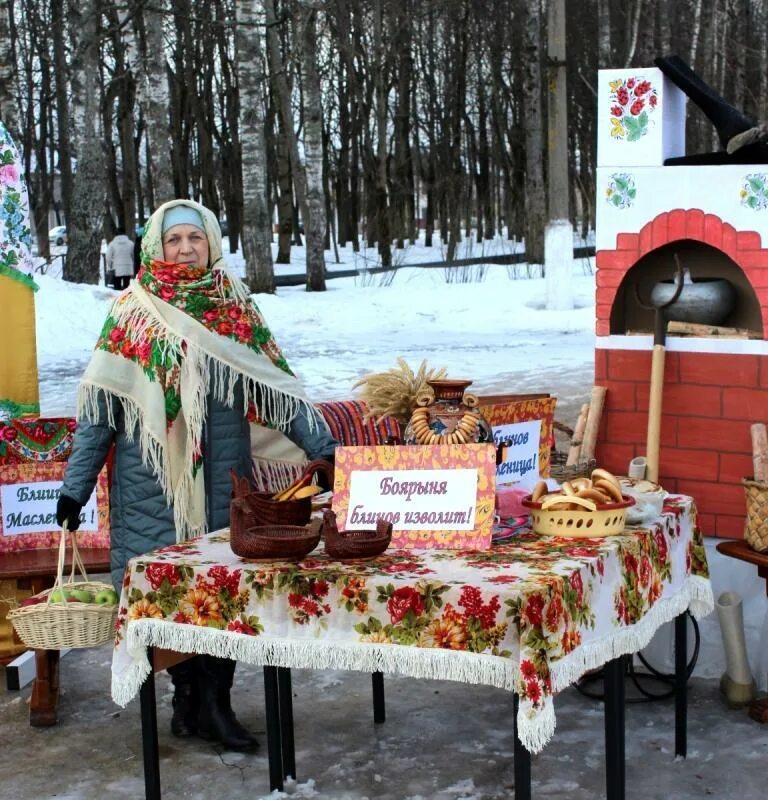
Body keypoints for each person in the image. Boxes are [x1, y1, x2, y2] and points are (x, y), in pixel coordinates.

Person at [56, 199, 337, 752]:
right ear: (155, 248)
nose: (185, 248)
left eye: (196, 238)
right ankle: (188, 699)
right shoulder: (132, 311)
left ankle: (216, 703)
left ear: (211, 242)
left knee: (225, 594)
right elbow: (101, 412)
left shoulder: (235, 310)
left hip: (223, 487)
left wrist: (327, 451)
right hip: (151, 489)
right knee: (168, 600)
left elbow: (275, 392)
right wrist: (75, 486)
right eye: (173, 239)